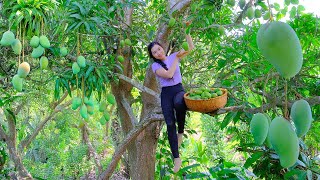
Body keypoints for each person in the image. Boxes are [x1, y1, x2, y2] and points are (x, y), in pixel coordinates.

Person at [148, 31, 194, 173]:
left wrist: (186, 31)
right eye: (154, 52)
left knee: (180, 103)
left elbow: (191, 48)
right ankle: (176, 157)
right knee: (169, 123)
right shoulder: (155, 66)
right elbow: (168, 74)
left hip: (178, 89)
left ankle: (181, 132)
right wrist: (176, 59)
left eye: (159, 49)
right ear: (153, 56)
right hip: (166, 93)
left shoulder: (174, 55)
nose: (158, 53)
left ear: (163, 48)